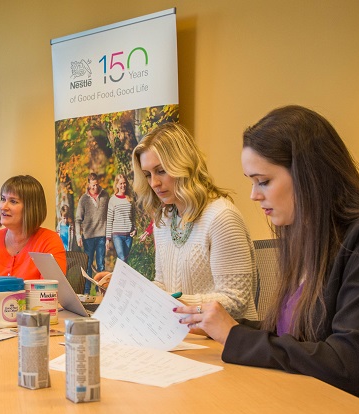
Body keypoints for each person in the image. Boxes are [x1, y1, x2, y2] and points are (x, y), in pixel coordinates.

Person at [177, 105, 359, 408]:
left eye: (263, 181)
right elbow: (294, 338)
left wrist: (235, 336)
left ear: (308, 175)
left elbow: (345, 365)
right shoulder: (307, 238)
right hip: (300, 404)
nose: (254, 195)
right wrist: (223, 327)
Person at [97, 123, 258, 321]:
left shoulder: (221, 217)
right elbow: (164, 285)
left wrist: (175, 304)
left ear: (184, 166)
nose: (154, 183)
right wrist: (129, 287)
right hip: (182, 334)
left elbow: (236, 302)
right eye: (148, 175)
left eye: (161, 171)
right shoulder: (164, 220)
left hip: (226, 342)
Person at [75, 173, 109, 293]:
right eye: (93, 185)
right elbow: (78, 219)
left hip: (101, 235)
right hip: (88, 237)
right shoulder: (83, 199)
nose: (95, 187)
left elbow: (109, 216)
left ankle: (101, 291)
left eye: (97, 184)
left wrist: (108, 237)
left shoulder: (105, 196)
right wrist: (79, 236)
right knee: (87, 265)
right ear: (88, 184)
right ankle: (87, 291)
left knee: (101, 265)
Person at [104, 174, 136, 262]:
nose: (123, 185)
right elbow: (109, 219)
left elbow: (133, 216)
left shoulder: (130, 199)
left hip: (129, 235)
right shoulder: (113, 200)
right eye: (121, 183)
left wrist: (135, 229)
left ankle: (118, 275)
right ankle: (120, 275)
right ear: (117, 185)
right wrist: (108, 239)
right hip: (117, 235)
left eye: (124, 183)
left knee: (125, 259)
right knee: (122, 258)